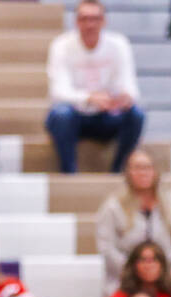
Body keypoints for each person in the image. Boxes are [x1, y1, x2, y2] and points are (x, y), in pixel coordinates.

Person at [45, 0, 144, 174]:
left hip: (106, 116)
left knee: (136, 115)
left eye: (95, 18)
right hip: (73, 116)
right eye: (84, 19)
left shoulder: (118, 44)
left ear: (104, 21)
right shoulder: (61, 45)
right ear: (76, 22)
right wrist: (90, 98)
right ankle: (69, 174)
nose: (90, 24)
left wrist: (123, 98)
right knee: (61, 114)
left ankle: (118, 171)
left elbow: (130, 87)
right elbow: (58, 92)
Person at [95, 150, 171, 290]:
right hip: (127, 277)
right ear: (128, 172)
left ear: (155, 171)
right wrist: (134, 271)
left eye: (147, 167)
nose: (142, 172)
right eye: (137, 168)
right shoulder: (113, 207)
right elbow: (106, 247)